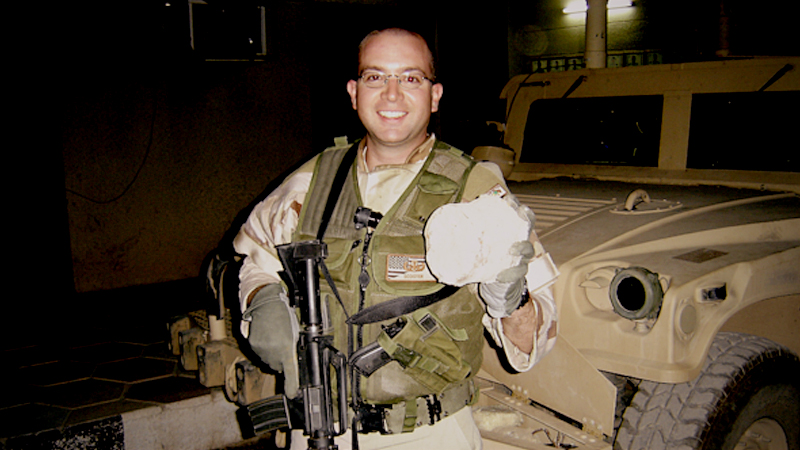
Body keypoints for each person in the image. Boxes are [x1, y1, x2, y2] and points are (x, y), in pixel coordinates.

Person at [233, 28, 558, 450]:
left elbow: (533, 344)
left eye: (410, 78)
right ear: (354, 93)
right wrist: (261, 299)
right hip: (317, 428)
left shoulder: (476, 191)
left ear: (435, 95)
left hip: (432, 435)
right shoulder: (311, 182)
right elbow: (254, 261)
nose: (391, 94)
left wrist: (511, 300)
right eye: (375, 77)